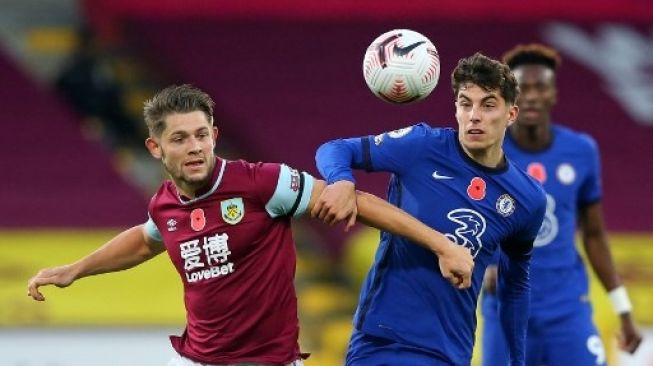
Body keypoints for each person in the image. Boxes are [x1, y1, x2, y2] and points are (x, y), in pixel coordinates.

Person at [26, 84, 475, 366]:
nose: (195, 147)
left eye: (201, 135)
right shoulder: (165, 204)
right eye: (179, 139)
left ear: (214, 136)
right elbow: (146, 240)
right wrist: (75, 270)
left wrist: (441, 244)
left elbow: (352, 200)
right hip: (197, 358)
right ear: (155, 148)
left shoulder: (262, 183)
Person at [312, 53, 547, 366]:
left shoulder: (527, 200)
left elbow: (515, 285)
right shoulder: (422, 146)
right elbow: (335, 149)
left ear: (511, 114)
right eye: (466, 103)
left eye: (488, 105)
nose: (474, 115)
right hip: (383, 339)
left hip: (450, 351)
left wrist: (518, 361)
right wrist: (341, 181)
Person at [480, 43, 642, 366]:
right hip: (506, 315)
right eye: (522, 88)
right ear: (508, 96)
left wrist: (623, 309)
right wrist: (479, 266)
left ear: (554, 94)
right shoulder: (483, 151)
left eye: (541, 87)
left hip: (567, 312)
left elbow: (594, 235)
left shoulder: (581, 150)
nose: (532, 96)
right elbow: (462, 222)